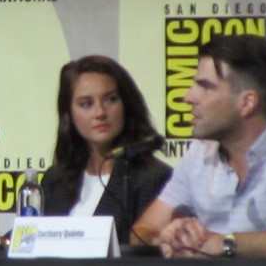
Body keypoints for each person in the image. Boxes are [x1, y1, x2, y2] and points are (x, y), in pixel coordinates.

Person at [132, 34, 266, 258]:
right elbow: (141, 231)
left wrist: (226, 244)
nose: (188, 97)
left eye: (205, 86)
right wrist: (167, 240)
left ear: (247, 102)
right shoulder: (198, 153)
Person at [41, 55, 171, 245]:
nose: (100, 112)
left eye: (111, 99)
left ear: (126, 104)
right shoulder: (55, 179)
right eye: (86, 104)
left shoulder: (153, 177)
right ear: (69, 114)